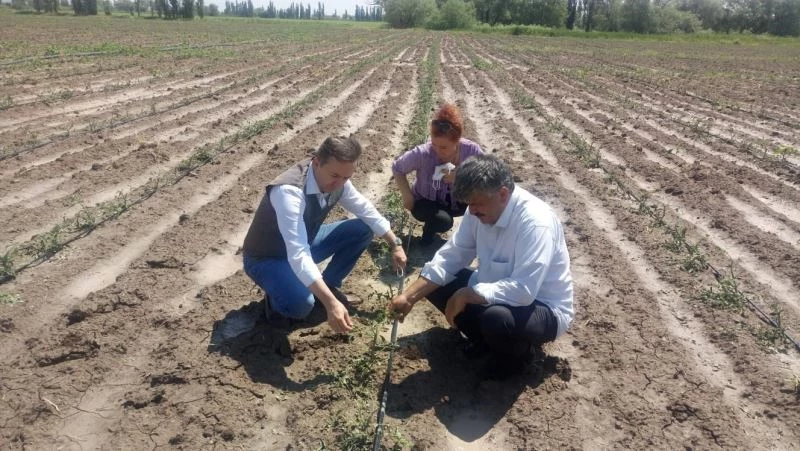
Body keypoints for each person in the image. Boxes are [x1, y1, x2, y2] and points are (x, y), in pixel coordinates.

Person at [389, 154, 574, 380]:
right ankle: (486, 343)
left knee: (496, 319)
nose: (472, 211)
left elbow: (524, 290)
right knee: (434, 284)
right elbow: (453, 255)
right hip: (493, 287)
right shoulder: (477, 210)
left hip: (542, 306)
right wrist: (409, 296)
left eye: (476, 204)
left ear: (503, 194)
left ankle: (519, 359)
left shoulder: (535, 223)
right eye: (469, 205)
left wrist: (468, 294)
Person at [242, 136, 407, 334]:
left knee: (363, 229)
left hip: (307, 241)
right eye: (335, 175)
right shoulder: (289, 191)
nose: (339, 183)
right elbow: (298, 253)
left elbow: (365, 209)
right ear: (317, 162)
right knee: (301, 305)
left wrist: (394, 243)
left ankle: (329, 285)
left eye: (346, 178)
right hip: (268, 257)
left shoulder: (339, 181)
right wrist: (331, 304)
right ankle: (276, 305)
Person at [392, 103, 483, 246]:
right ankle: (428, 234)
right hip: (427, 202)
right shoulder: (423, 153)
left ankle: (476, 241)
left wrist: (460, 175)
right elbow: (397, 167)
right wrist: (407, 195)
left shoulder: (472, 151)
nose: (438, 151)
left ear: (457, 141)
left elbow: (483, 175)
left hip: (459, 201)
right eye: (434, 144)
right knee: (443, 220)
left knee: (484, 203)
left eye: (444, 147)